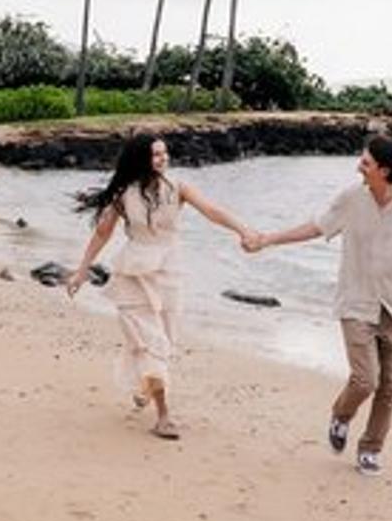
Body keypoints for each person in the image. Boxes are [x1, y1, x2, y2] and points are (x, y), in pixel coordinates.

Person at [245, 134, 392, 476]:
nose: (358, 167)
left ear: (385, 171)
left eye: (366, 163)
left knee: (389, 387)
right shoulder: (351, 199)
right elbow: (315, 227)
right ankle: (341, 415)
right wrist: (268, 240)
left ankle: (370, 449)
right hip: (356, 302)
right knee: (366, 380)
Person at [67, 136, 255, 439]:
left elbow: (212, 211)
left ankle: (145, 383)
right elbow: (102, 233)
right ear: (142, 159)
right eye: (156, 154)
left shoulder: (178, 188)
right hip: (133, 274)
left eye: (165, 153)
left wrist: (243, 230)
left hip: (169, 272)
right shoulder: (123, 194)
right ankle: (164, 416)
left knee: (165, 342)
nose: (163, 159)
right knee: (150, 342)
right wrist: (81, 271)